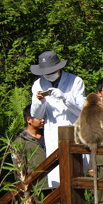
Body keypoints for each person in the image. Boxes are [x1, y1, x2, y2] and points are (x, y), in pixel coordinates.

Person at [30, 51, 85, 188]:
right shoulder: (38, 85)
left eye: (51, 70)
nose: (49, 74)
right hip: (53, 134)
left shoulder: (75, 81)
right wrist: (38, 102)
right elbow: (37, 115)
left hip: (73, 131)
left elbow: (82, 110)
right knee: (57, 179)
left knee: (76, 176)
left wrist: (66, 97)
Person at [12, 105, 46, 182]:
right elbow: (18, 168)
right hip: (36, 186)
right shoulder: (21, 141)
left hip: (55, 184)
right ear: (29, 120)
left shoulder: (48, 136)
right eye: (39, 117)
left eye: (43, 117)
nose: (43, 120)